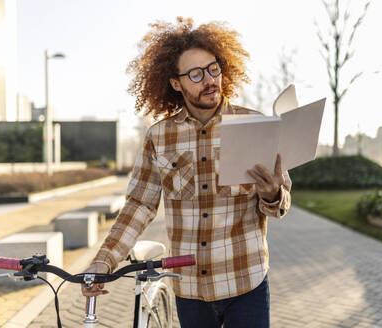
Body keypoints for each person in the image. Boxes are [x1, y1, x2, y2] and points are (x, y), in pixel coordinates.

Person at [81, 17, 292, 328]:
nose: (209, 79)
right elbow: (139, 205)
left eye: (213, 68)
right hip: (190, 290)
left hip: (246, 283)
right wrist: (105, 259)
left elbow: (280, 203)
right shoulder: (159, 136)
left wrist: (272, 193)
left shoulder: (254, 125)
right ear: (176, 84)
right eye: (196, 74)